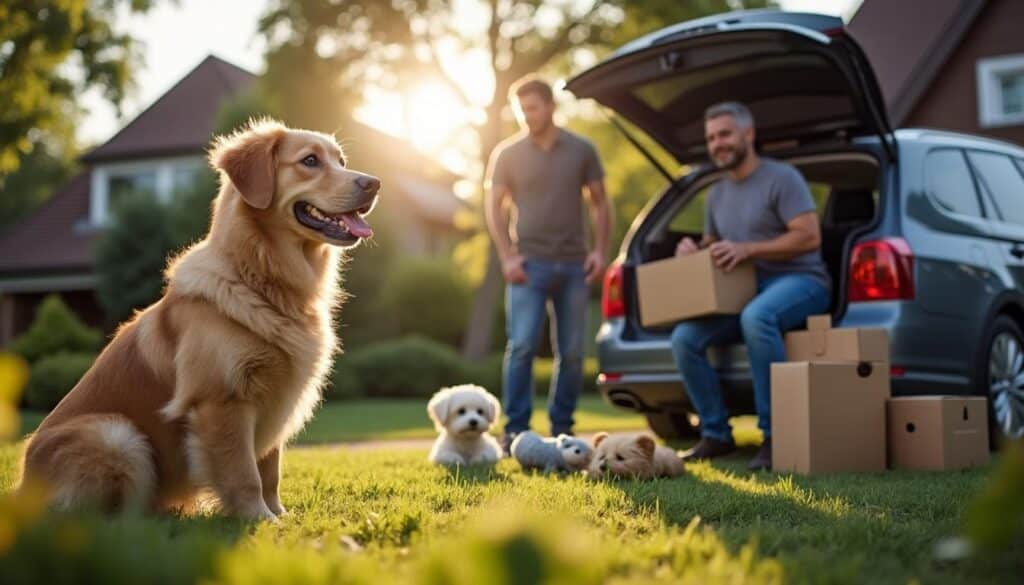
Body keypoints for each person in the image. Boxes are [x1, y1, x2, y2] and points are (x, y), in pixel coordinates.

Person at [671, 101, 831, 471]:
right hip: (744, 287)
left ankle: (776, 437)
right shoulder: (716, 194)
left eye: (725, 134)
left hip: (802, 280)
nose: (717, 144)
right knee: (684, 338)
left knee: (756, 317)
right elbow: (714, 245)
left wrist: (749, 249)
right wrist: (693, 249)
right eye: (711, 138)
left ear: (749, 134)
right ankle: (716, 434)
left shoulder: (782, 178)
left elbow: (809, 237)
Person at [484, 75, 611, 452]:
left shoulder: (582, 149)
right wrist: (507, 257)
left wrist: (600, 251)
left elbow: (600, 202)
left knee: (571, 353)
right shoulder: (507, 154)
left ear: (551, 106)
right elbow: (494, 206)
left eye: (533, 107)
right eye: (521, 109)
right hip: (528, 265)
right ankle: (516, 431)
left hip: (573, 265)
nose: (527, 115)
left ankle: (562, 429)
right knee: (521, 346)